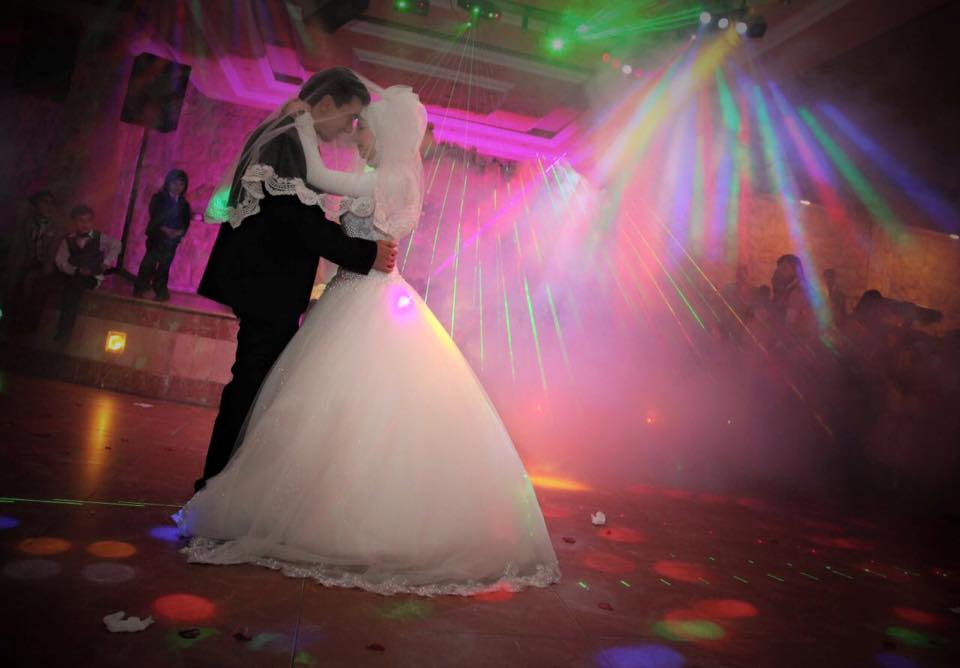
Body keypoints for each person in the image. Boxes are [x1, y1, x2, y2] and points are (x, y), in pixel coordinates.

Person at [175, 83, 560, 596]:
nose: (357, 137)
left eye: (365, 130)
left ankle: (332, 513)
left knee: (348, 405)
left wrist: (301, 124)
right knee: (322, 406)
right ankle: (304, 499)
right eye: (356, 127)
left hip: (367, 297)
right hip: (349, 292)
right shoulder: (382, 176)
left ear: (389, 134)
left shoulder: (393, 176)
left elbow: (315, 177)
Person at [193, 67, 398, 492]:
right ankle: (215, 488)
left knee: (255, 384)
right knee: (250, 385)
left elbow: (299, 213)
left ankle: (227, 486)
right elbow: (294, 220)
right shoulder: (286, 139)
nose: (347, 130)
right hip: (267, 284)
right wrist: (364, 254)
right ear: (325, 103)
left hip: (268, 283)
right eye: (348, 116)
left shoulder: (290, 134)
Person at [52, 205, 120, 343]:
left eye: (88, 220)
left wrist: (106, 262)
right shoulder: (69, 239)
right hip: (74, 275)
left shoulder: (99, 238)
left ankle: (64, 333)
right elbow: (60, 260)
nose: (85, 224)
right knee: (56, 284)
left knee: (72, 290)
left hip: (91, 277)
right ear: (74, 222)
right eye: (81, 221)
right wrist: (75, 270)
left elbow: (117, 244)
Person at [133, 169, 191, 301]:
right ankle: (142, 288)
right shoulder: (158, 198)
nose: (177, 187)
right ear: (168, 183)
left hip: (172, 241)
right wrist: (166, 229)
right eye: (174, 183)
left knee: (165, 266)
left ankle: (159, 289)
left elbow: (186, 222)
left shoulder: (184, 204)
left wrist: (179, 232)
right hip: (157, 237)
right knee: (149, 263)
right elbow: (155, 216)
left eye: (181, 184)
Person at [1, 190, 59, 319]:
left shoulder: (56, 227)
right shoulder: (28, 223)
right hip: (28, 261)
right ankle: (8, 316)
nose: (48, 206)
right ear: (37, 205)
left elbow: (53, 252)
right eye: (44, 202)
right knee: (12, 278)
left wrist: (46, 267)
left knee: (30, 280)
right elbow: (20, 245)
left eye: (51, 203)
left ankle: (23, 317)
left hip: (46, 265)